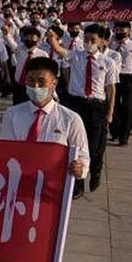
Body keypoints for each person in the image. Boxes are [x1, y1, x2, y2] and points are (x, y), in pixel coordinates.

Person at [0, 57, 89, 262]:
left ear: (54, 83)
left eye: (41, 82)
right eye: (31, 81)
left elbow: (83, 155)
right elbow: (7, 153)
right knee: (6, 256)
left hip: (52, 200)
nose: (35, 86)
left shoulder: (70, 119)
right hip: (19, 195)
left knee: (48, 260)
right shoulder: (15, 115)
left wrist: (79, 167)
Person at [47, 24, 115, 197]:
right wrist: (52, 36)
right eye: (86, 40)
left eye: (93, 40)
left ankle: (96, 169)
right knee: (75, 145)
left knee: (93, 146)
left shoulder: (108, 62)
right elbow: (57, 49)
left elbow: (111, 89)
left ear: (101, 41)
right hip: (76, 104)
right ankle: (77, 185)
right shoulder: (76, 56)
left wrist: (110, 112)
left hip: (96, 107)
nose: (89, 43)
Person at [110, 21, 132, 146]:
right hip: (114, 76)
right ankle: (115, 132)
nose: (120, 32)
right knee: (114, 106)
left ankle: (124, 137)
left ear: (129, 31)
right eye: (117, 30)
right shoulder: (111, 44)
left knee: (127, 107)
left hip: (128, 77)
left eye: (122, 30)